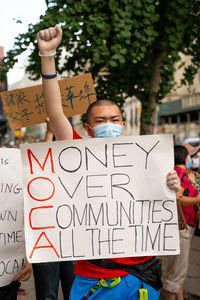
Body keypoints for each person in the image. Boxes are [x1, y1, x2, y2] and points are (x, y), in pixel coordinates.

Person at [37, 24, 180, 300]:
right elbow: (55, 112)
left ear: (123, 125)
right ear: (88, 129)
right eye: (100, 121)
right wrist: (48, 56)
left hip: (140, 277)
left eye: (114, 120)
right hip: (93, 278)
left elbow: (162, 206)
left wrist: (172, 187)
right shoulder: (78, 152)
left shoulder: (149, 156)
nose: (109, 125)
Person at [32, 118, 75, 300]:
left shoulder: (78, 166)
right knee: (47, 294)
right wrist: (49, 132)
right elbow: (38, 165)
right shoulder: (42, 171)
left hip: (73, 240)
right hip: (46, 239)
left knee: (74, 292)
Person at [161, 145, 200, 300]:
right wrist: (197, 199)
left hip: (182, 228)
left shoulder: (179, 173)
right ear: (184, 158)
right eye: (191, 156)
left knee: (178, 272)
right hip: (181, 227)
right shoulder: (178, 174)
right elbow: (179, 198)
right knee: (175, 273)